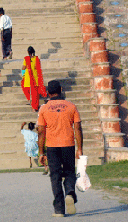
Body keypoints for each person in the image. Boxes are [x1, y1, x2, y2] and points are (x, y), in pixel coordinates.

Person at [37, 80, 83, 217]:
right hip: (68, 144)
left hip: (52, 146)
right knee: (69, 172)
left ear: (47, 92)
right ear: (61, 89)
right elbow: (78, 128)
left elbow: (40, 131)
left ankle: (59, 210)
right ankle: (69, 192)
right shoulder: (71, 106)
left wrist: (41, 152)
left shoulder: (44, 109)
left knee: (55, 176)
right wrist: (80, 149)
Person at [21, 46, 47, 112]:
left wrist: (24, 70)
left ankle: (32, 103)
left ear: (28, 52)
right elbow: (38, 68)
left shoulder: (26, 59)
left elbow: (23, 68)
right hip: (35, 78)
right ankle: (34, 107)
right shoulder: (37, 59)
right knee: (35, 94)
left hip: (28, 78)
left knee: (29, 92)